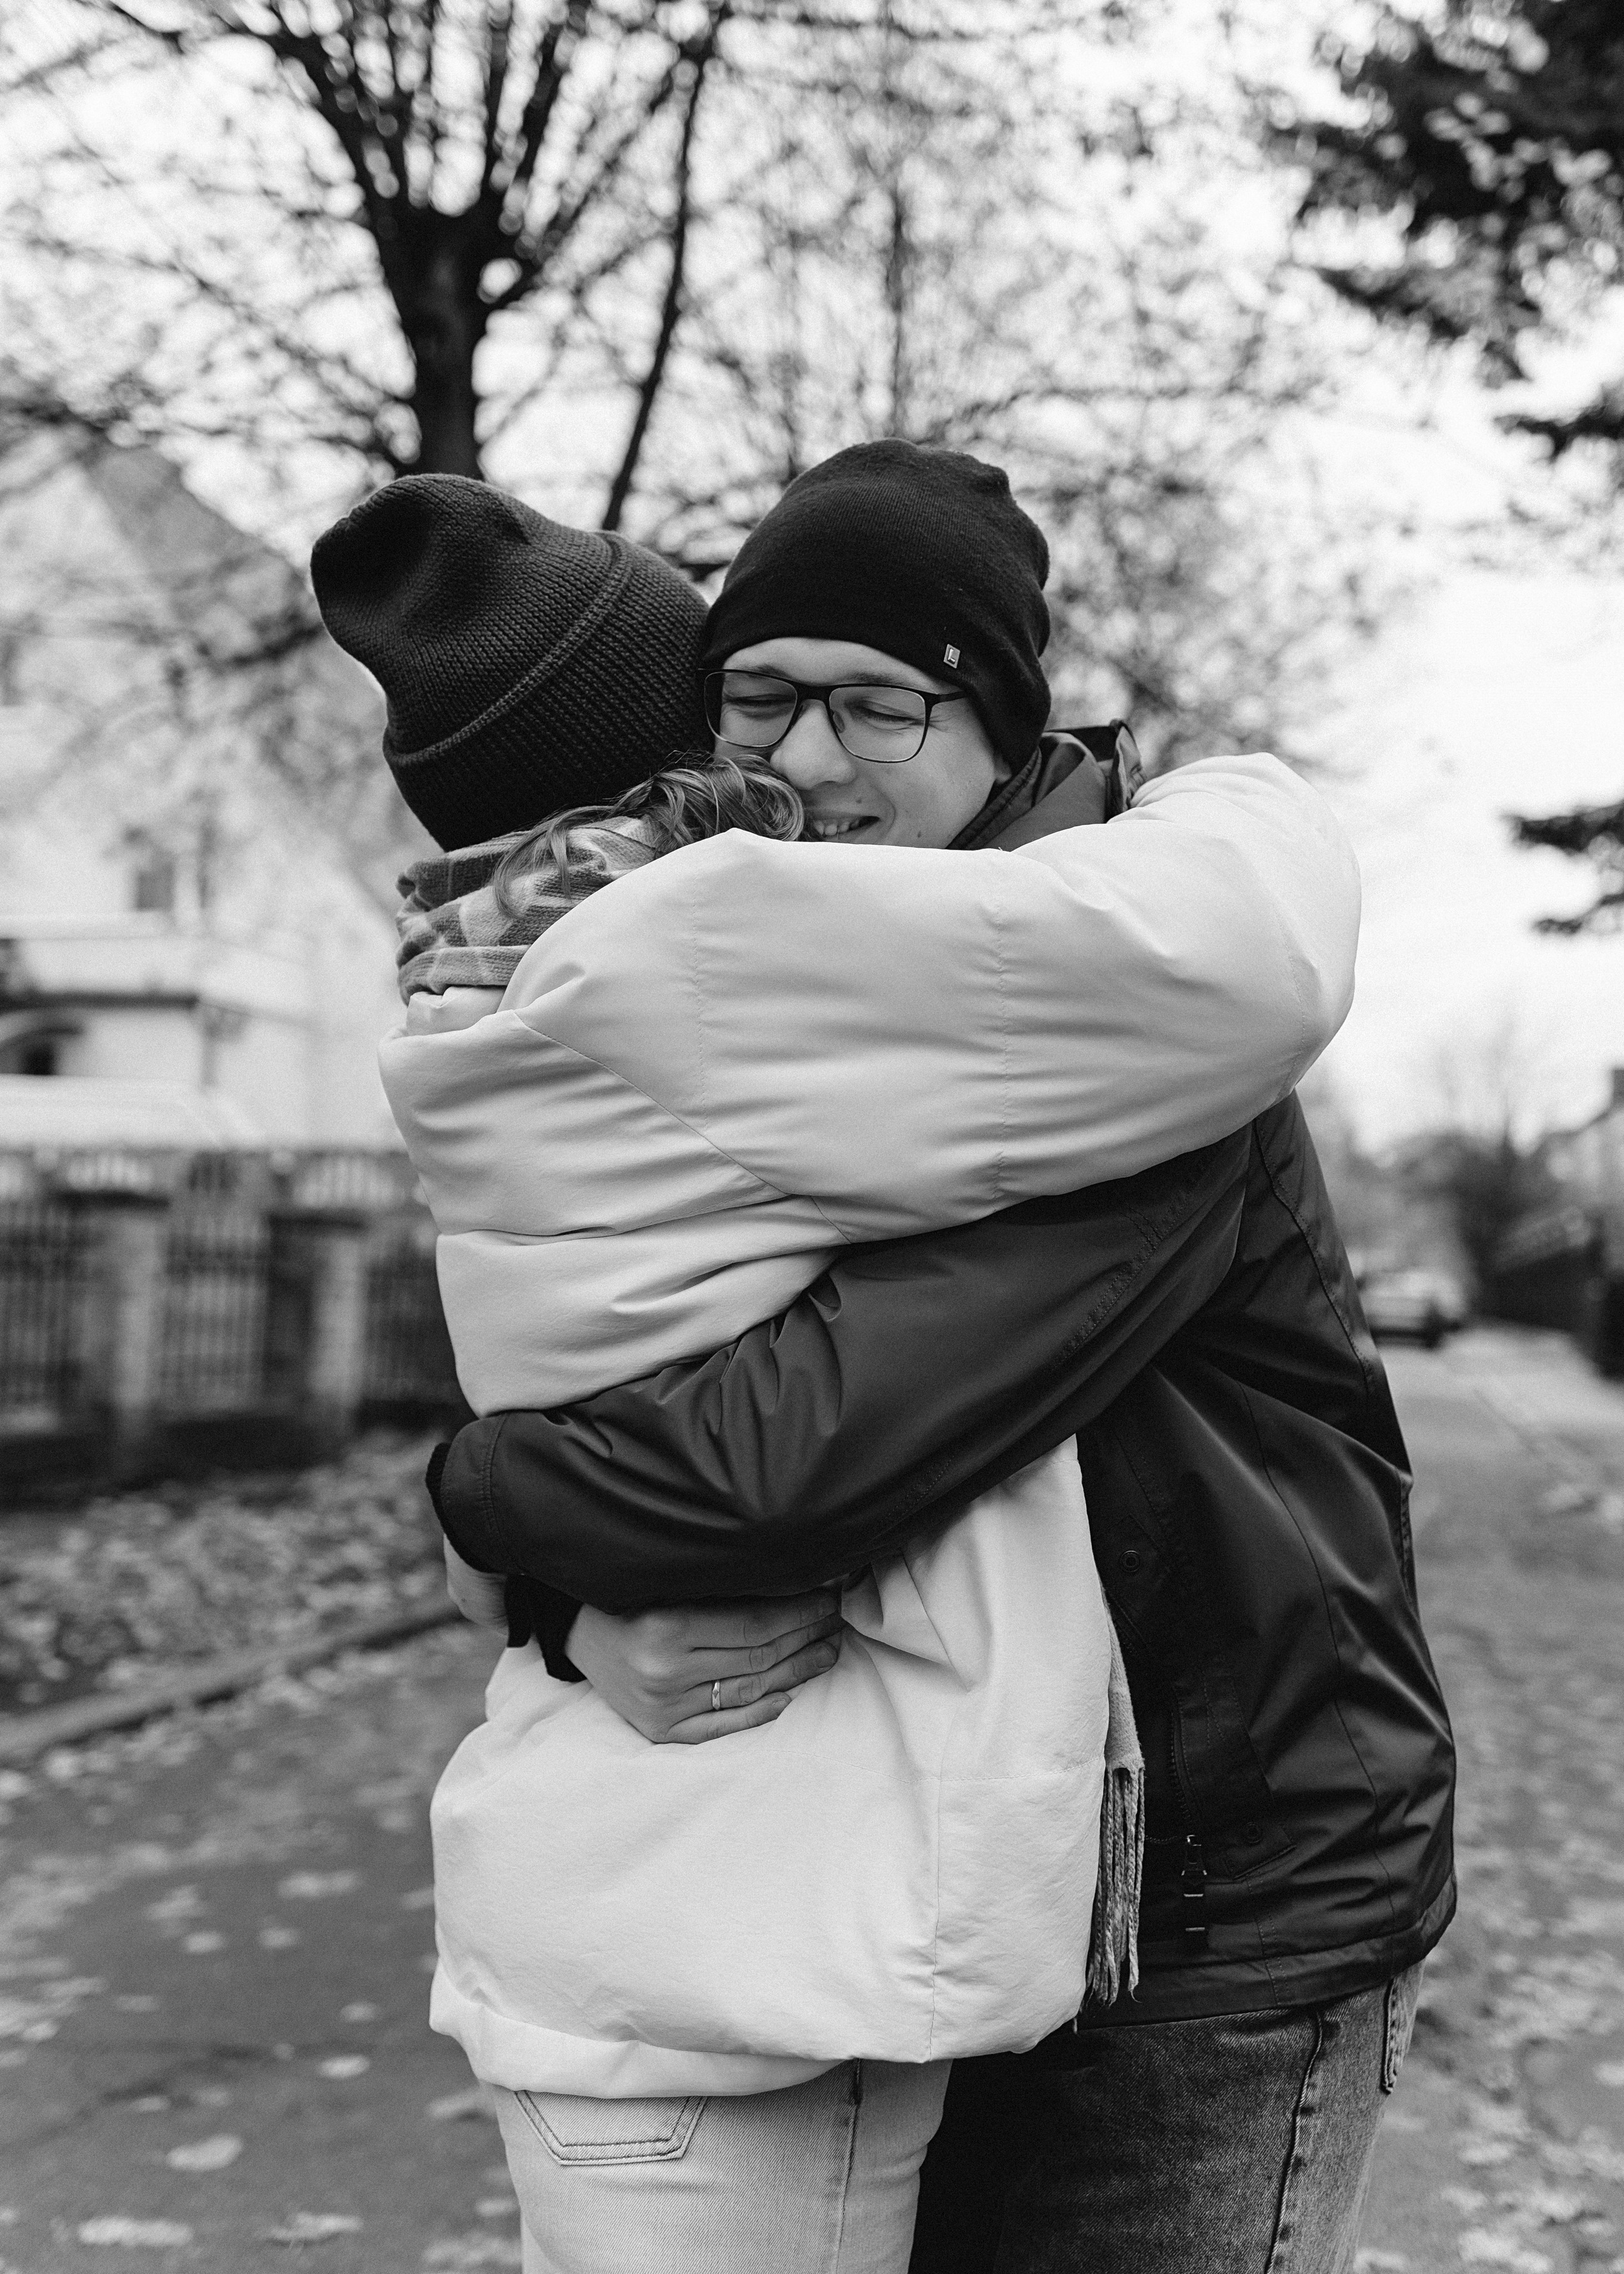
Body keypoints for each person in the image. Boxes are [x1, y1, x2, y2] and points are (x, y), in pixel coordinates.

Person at [314, 451, 1366, 2274]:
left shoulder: (1118, 1051)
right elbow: (637, 1348)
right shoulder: (810, 1023)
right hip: (961, 1872)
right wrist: (559, 1587)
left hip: (1212, 1912)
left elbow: (787, 1452)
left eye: (881, 703)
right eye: (759, 705)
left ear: (998, 717)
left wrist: (498, 1510)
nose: (803, 766)